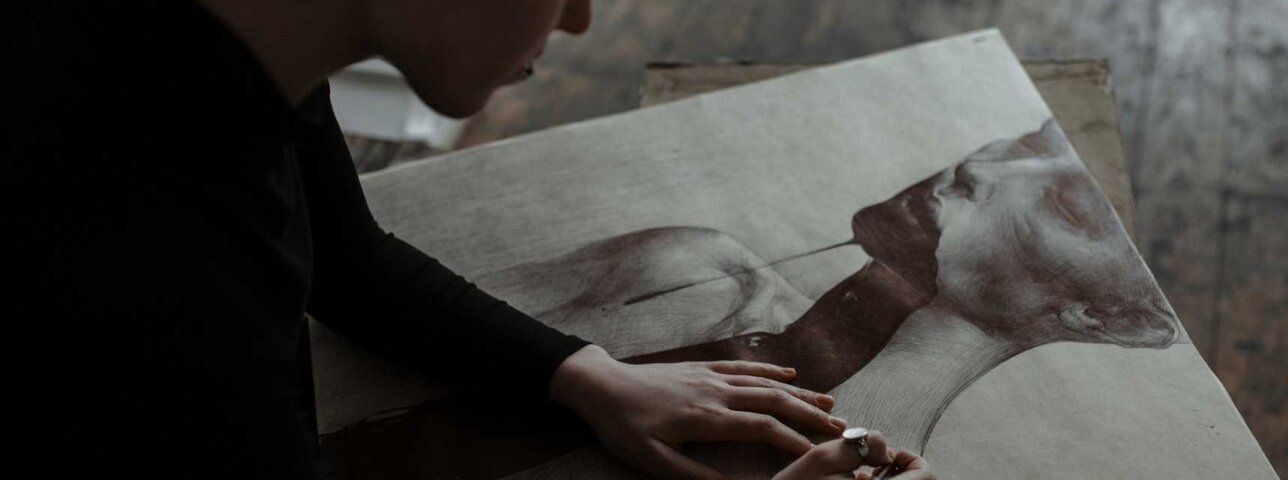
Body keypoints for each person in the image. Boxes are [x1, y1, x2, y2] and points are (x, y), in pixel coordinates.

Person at [0, 0, 935, 479]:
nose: (578, 17)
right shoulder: (156, 280)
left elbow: (342, 257)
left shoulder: (230, 43)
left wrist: (583, 373)